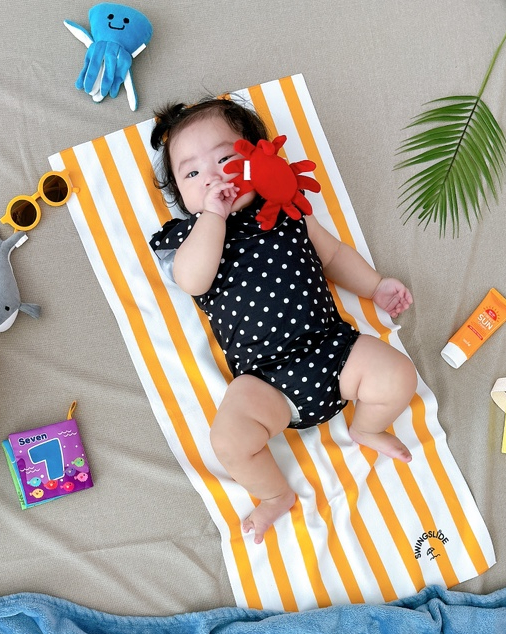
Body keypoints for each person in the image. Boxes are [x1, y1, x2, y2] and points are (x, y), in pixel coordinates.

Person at [149, 98, 418, 544]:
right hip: (266, 383)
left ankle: (367, 427)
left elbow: (333, 255)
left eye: (225, 159)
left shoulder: (287, 212)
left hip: (333, 350)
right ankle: (275, 495)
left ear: (259, 157)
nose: (212, 177)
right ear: (181, 196)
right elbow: (193, 280)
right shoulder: (192, 238)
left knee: (398, 373)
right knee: (228, 441)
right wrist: (213, 218)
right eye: (192, 174)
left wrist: (374, 286)